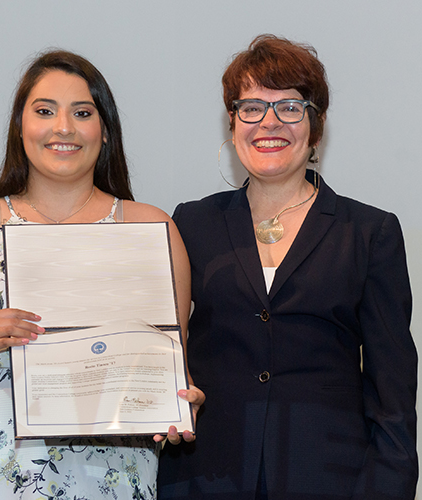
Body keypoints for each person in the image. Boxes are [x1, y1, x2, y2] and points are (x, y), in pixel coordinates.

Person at [0, 49, 202, 500]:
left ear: (105, 131)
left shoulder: (150, 228)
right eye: (45, 111)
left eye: (83, 113)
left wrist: (178, 404)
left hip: (108, 476)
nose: (63, 128)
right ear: (20, 126)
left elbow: (171, 368)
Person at [158, 34, 417, 500]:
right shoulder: (191, 222)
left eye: (290, 107)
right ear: (233, 122)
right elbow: (159, 345)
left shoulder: (369, 231)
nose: (269, 123)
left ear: (315, 126)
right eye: (252, 107)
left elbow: (393, 395)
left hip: (331, 478)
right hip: (205, 476)